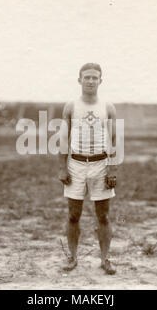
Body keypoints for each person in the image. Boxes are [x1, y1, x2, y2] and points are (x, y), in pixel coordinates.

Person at [58, 63, 118, 275]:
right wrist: (62, 167)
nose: (90, 81)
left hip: (101, 165)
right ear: (79, 80)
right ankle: (72, 257)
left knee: (103, 216)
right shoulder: (71, 107)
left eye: (95, 77)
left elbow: (113, 139)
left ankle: (105, 259)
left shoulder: (108, 107)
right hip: (75, 165)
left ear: (100, 80)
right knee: (73, 215)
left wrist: (111, 169)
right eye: (87, 77)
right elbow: (63, 139)